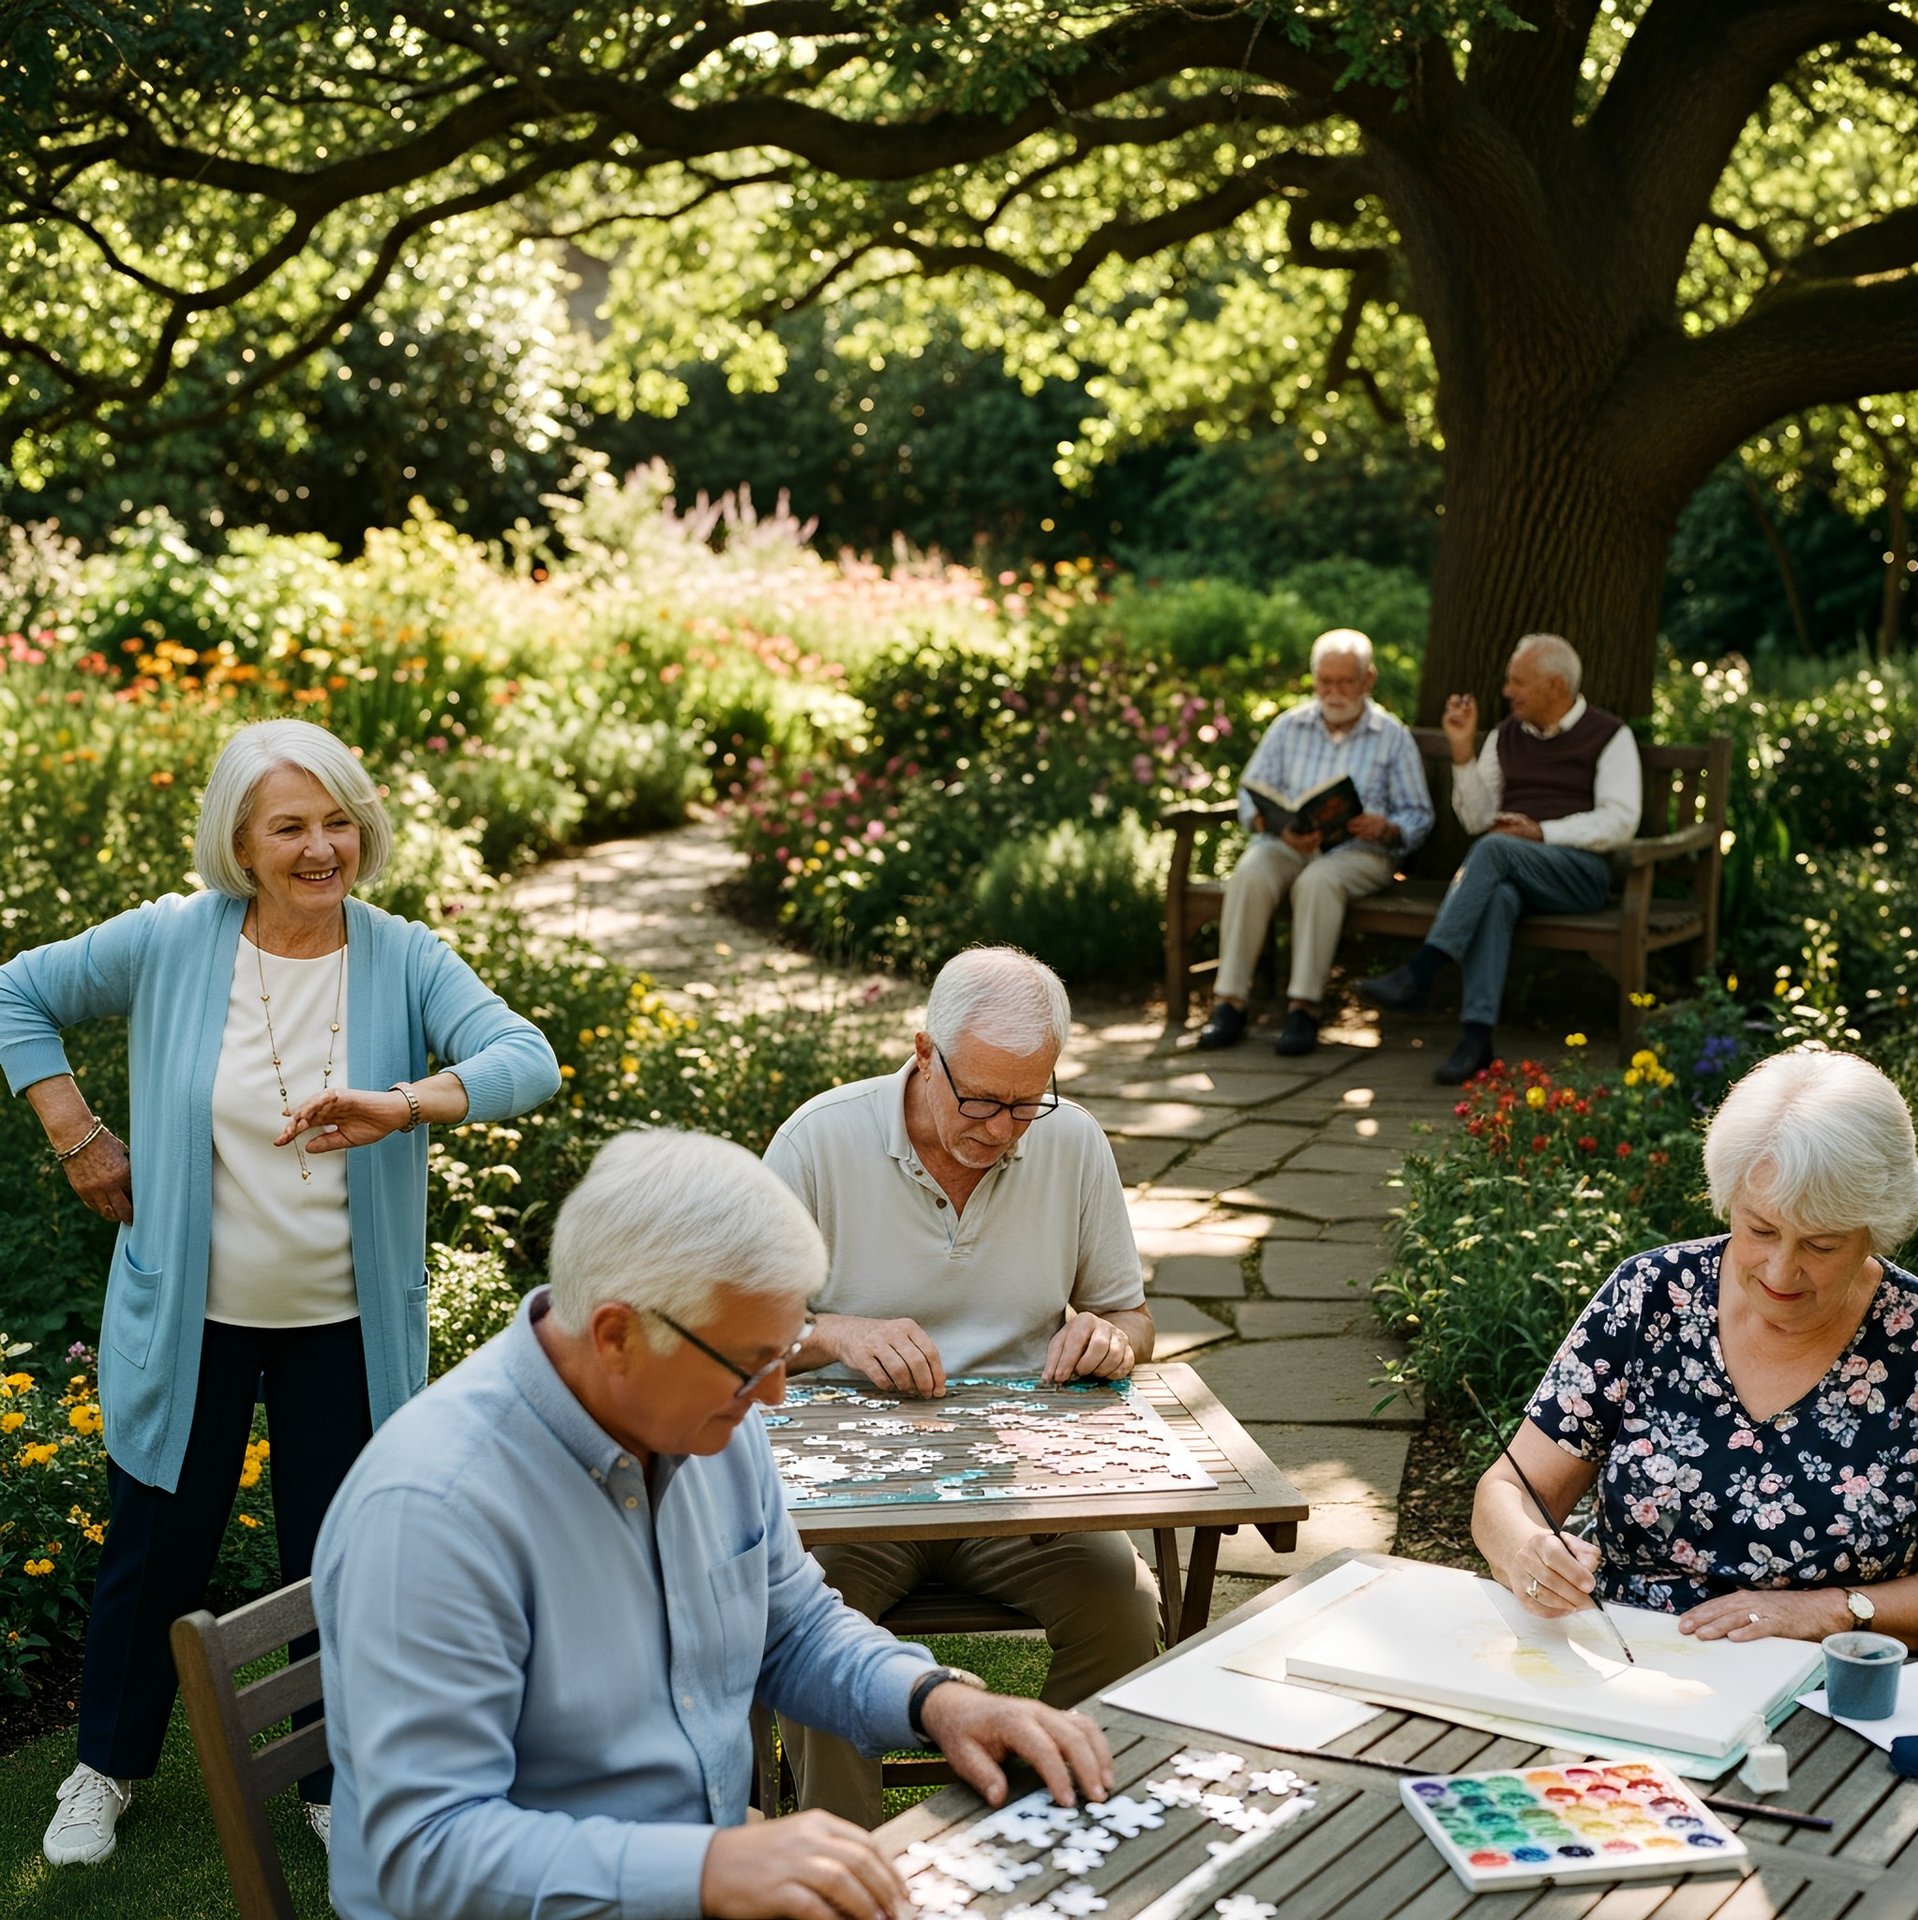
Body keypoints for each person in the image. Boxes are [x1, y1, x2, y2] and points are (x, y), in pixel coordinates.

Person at [0, 717, 560, 1868]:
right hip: (190, 1318)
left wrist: (404, 1103)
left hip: (347, 1329)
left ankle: (329, 1775)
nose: (321, 848)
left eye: (337, 821)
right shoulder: (172, 940)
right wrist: (79, 1135)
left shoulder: (402, 955)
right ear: (241, 846)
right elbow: (17, 993)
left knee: (340, 1558)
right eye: (290, 826)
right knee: (157, 1550)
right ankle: (102, 1768)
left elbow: (527, 1059)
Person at [312, 1128, 1114, 1920]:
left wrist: (937, 1700)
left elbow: (793, 1628)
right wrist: (705, 1866)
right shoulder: (434, 1512)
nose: (775, 1396)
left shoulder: (708, 1420)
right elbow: (425, 1852)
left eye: (784, 1351)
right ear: (617, 1335)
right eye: (749, 1364)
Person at [764, 945, 1160, 1827]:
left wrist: (1110, 1339)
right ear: (921, 1052)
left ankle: (1043, 1828)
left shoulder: (1073, 1141)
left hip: (1023, 1496)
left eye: (1027, 1103)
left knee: (1123, 1605)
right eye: (980, 1100)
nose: (1003, 1129)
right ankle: (855, 1857)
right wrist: (833, 1332)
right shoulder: (818, 1142)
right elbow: (736, 1340)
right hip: (851, 1501)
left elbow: (1129, 1318)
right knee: (802, 1623)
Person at [1472, 1048, 1918, 1648]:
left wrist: (1837, 1610)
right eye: (1761, 1230)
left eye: (1822, 1244)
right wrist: (1524, 1550)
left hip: (1829, 1681)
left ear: (1877, 1226)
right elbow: (1508, 1490)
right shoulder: (1653, 1295)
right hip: (1626, 1653)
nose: (1782, 1271)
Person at [1356, 633, 1642, 1085]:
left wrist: (1543, 832)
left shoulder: (1610, 736)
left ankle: (1423, 970)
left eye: (1518, 682)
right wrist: (1462, 751)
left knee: (1495, 848)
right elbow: (1476, 818)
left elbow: (1620, 821)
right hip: (1513, 870)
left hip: (1579, 873)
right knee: (1498, 895)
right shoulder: (1507, 735)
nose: (1507, 692)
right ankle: (1476, 1039)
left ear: (1554, 686)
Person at [1195, 629, 1432, 1056]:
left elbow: (1419, 814)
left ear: (1368, 680)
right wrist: (1272, 822)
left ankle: (1303, 1008)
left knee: (1318, 882)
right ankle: (1229, 1003)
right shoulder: (1290, 726)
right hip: (1290, 844)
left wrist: (1387, 826)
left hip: (1359, 852)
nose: (1334, 691)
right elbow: (1251, 792)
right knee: (1250, 870)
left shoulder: (1391, 736)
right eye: (1326, 681)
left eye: (1345, 681)